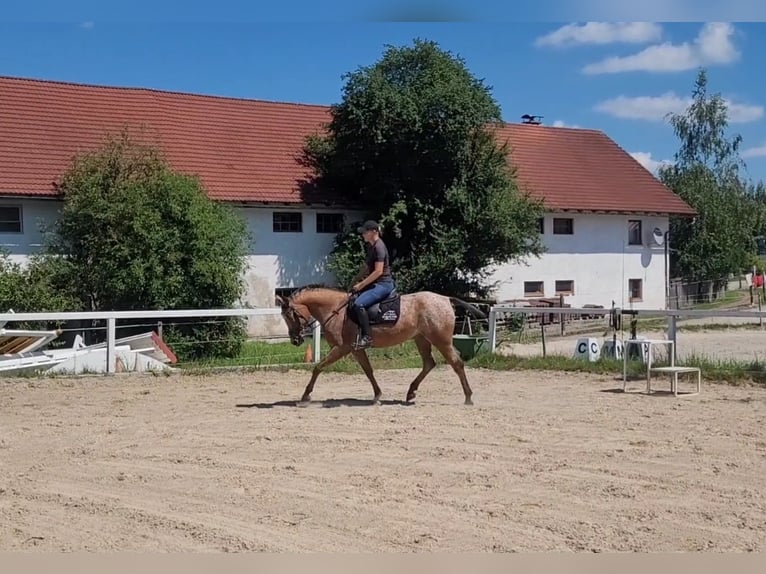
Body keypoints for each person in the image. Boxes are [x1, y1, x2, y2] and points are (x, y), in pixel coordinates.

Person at [349, 220, 395, 349]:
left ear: (374, 232)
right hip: (376, 283)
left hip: (384, 284)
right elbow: (366, 266)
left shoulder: (379, 247)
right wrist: (355, 280)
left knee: (359, 304)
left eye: (365, 231)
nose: (363, 234)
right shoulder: (371, 246)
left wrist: (361, 285)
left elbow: (378, 271)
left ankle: (367, 337)